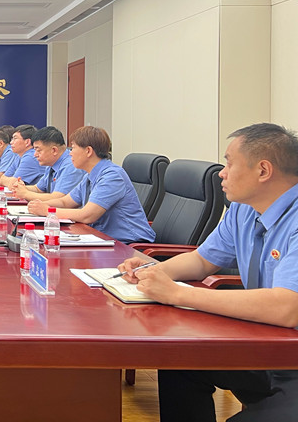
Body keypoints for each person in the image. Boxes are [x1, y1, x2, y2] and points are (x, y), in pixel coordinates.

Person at [119, 123, 298, 421]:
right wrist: (152, 271)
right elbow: (203, 261)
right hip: (267, 344)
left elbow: (288, 307)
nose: (221, 173)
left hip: (292, 363)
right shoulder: (243, 209)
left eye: (229, 163)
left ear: (263, 170)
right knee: (180, 357)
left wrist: (176, 293)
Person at [28, 126, 155, 244]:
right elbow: (65, 202)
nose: (70, 153)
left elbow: (87, 215)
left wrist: (47, 211)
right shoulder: (89, 175)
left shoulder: (112, 176)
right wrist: (39, 205)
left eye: (73, 148)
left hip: (130, 245)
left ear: (88, 151)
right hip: (102, 239)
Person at [9, 126, 84, 200]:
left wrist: (25, 194)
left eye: (38, 150)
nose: (35, 155)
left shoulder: (71, 166)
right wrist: (21, 188)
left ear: (54, 150)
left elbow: (58, 198)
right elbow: (38, 188)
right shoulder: (51, 164)